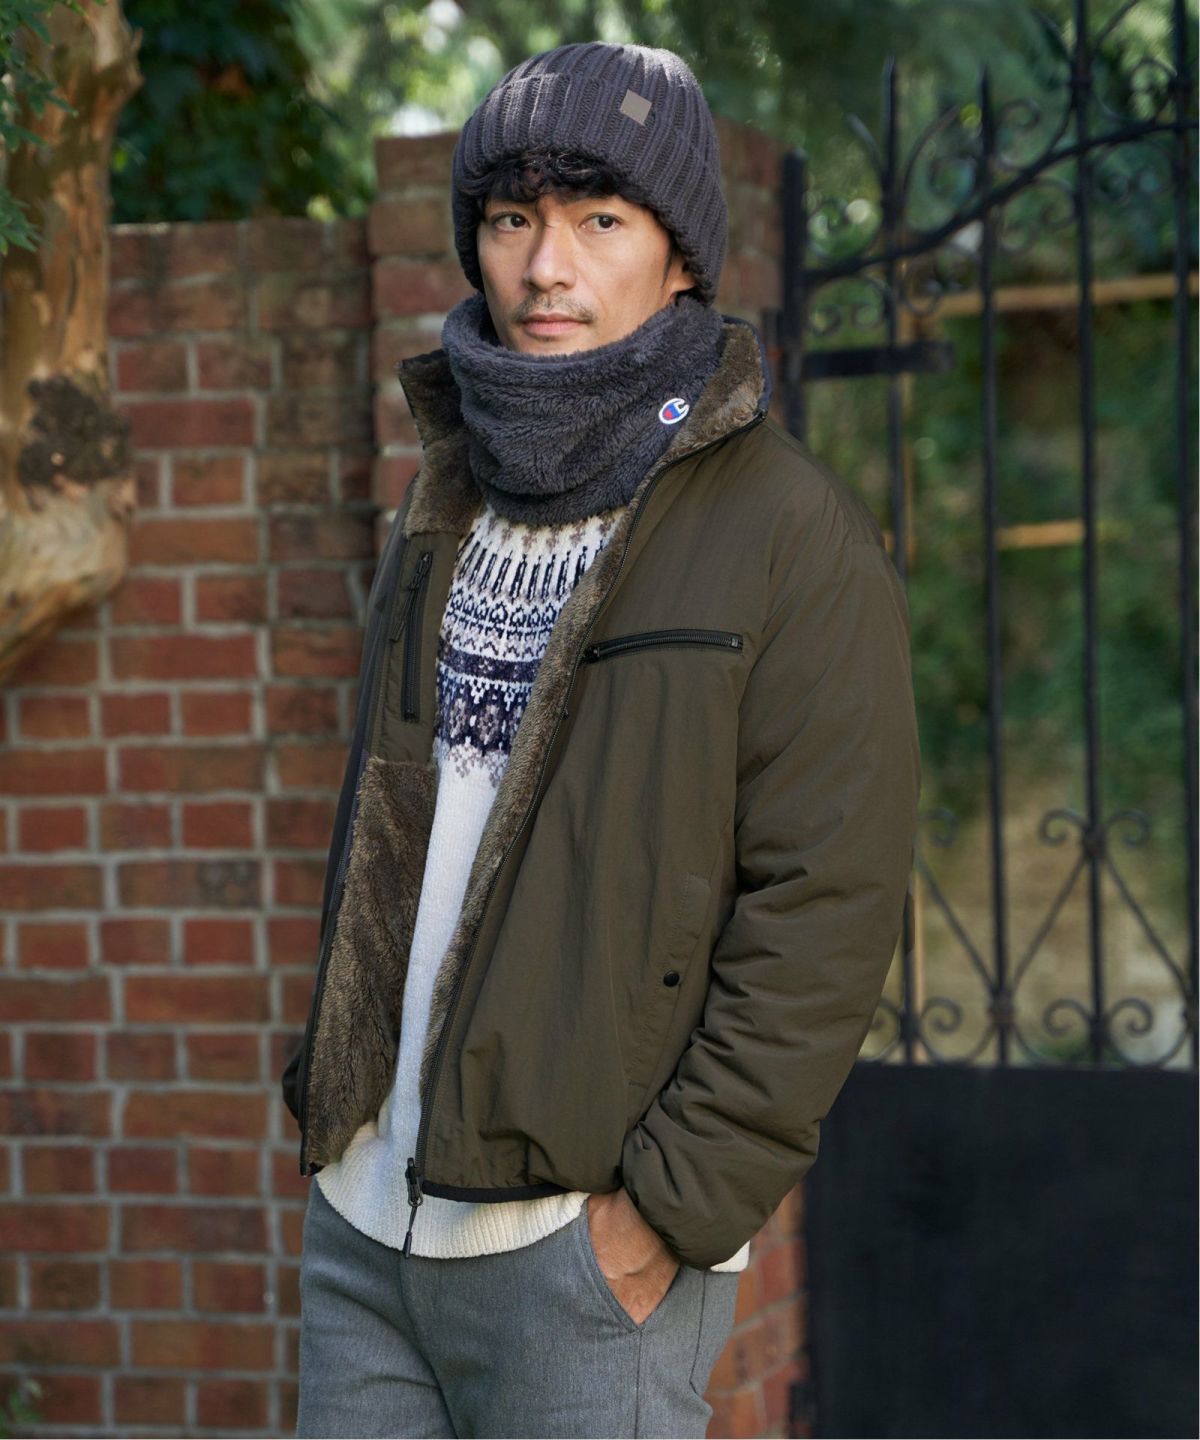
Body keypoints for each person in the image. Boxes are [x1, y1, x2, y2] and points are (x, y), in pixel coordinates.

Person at [283, 39, 921, 1440]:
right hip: (365, 1223)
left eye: (600, 220)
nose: (545, 267)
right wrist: (337, 1122)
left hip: (581, 1257)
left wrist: (663, 1215)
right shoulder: (446, 501)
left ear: (681, 256)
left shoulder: (789, 533)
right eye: (513, 219)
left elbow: (827, 901)